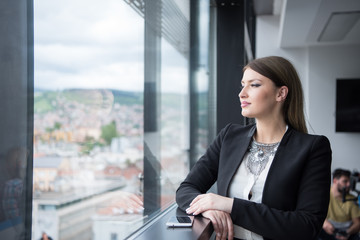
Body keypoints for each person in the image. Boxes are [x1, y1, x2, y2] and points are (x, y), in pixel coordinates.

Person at [176, 56, 332, 240]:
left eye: (254, 85)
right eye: (243, 84)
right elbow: (186, 189)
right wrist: (208, 209)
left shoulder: (313, 148)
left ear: (281, 93)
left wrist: (231, 206)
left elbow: (307, 225)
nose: (242, 93)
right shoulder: (229, 137)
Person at [319, 169, 360, 240]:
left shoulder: (352, 199)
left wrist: (347, 233)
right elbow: (314, 214)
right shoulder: (323, 194)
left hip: (347, 232)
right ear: (335, 181)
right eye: (345, 181)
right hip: (327, 231)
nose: (348, 184)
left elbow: (357, 223)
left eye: (349, 181)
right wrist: (324, 223)